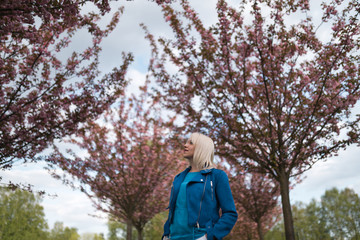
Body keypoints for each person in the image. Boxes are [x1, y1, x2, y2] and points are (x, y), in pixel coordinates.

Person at [162, 132, 238, 240]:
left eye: (191, 143)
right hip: (173, 237)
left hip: (198, 236)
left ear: (202, 148)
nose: (185, 145)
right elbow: (175, 210)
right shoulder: (179, 178)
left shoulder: (217, 176)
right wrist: (166, 233)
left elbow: (230, 213)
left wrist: (208, 237)